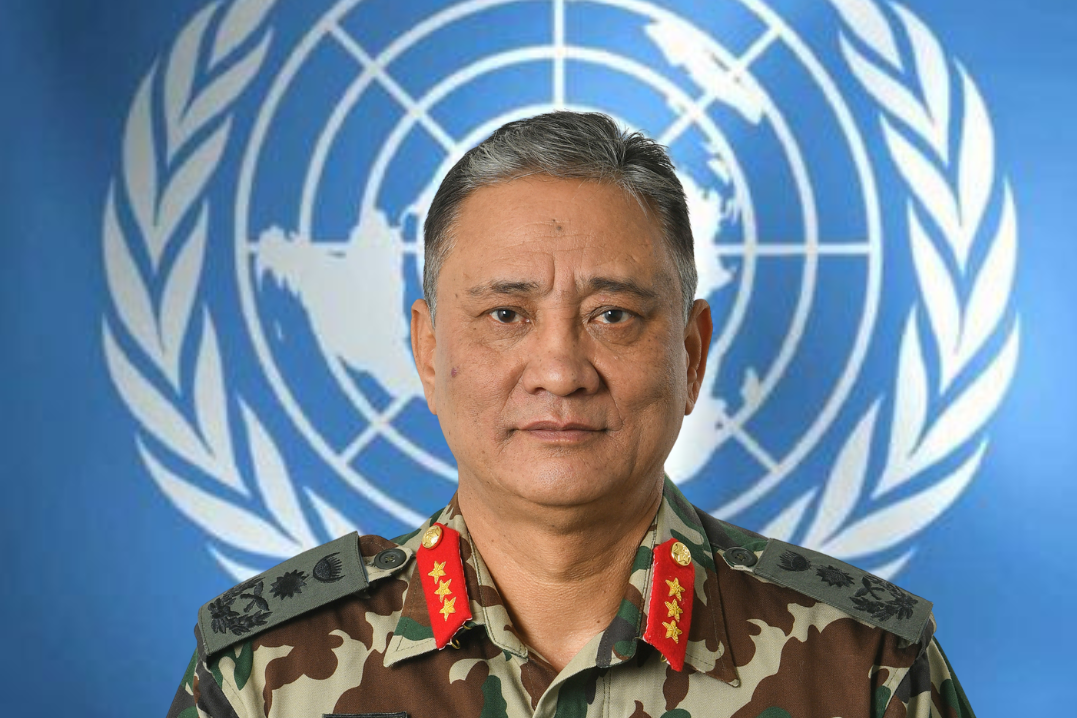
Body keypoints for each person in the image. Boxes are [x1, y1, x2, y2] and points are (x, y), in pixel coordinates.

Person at [167, 112, 974, 718]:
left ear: (691, 353)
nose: (559, 369)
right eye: (505, 316)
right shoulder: (264, 672)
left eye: (613, 315)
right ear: (427, 349)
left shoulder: (864, 665)